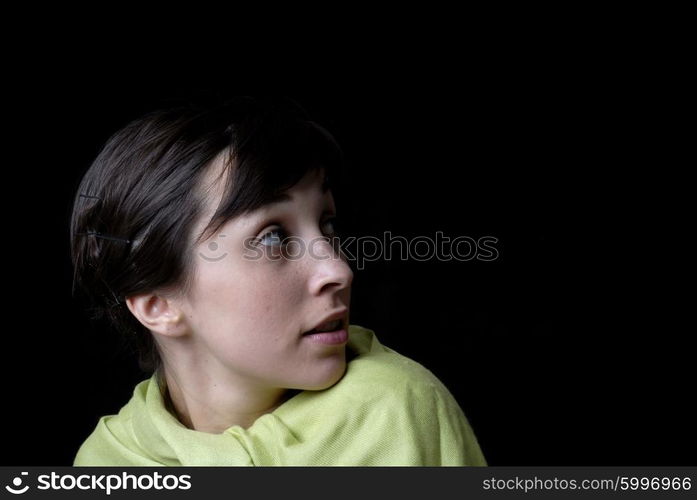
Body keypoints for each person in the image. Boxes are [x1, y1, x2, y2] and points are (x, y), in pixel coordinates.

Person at [70, 96, 487, 466]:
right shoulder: (108, 463)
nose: (339, 270)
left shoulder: (397, 415)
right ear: (157, 304)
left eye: (326, 224)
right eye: (274, 237)